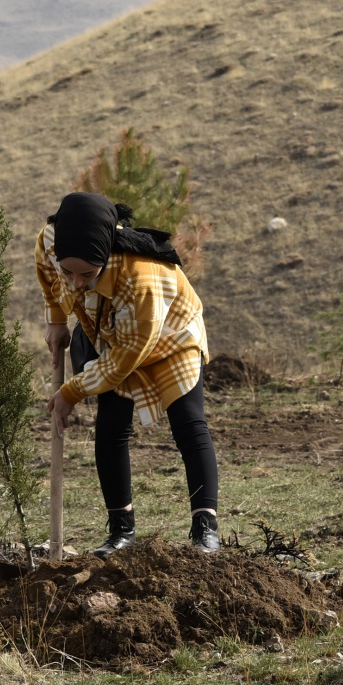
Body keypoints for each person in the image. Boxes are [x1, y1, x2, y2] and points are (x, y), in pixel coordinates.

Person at [36, 193, 221, 556]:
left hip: (171, 334)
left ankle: (205, 530)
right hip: (112, 331)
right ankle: (121, 531)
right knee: (111, 425)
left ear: (105, 256)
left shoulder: (141, 279)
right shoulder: (50, 239)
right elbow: (46, 270)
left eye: (87, 274)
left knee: (188, 421)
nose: (75, 283)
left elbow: (124, 359)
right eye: (69, 271)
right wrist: (56, 321)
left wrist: (71, 392)